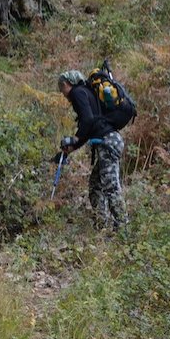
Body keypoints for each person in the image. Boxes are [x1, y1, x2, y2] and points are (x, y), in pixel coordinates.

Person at [57, 69, 127, 230]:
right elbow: (89, 128)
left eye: (62, 89)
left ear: (67, 84)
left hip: (107, 142)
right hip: (110, 141)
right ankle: (101, 224)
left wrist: (74, 138)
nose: (63, 94)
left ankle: (123, 227)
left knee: (111, 186)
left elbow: (87, 121)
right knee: (95, 185)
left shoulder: (77, 93)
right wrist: (73, 147)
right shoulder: (87, 93)